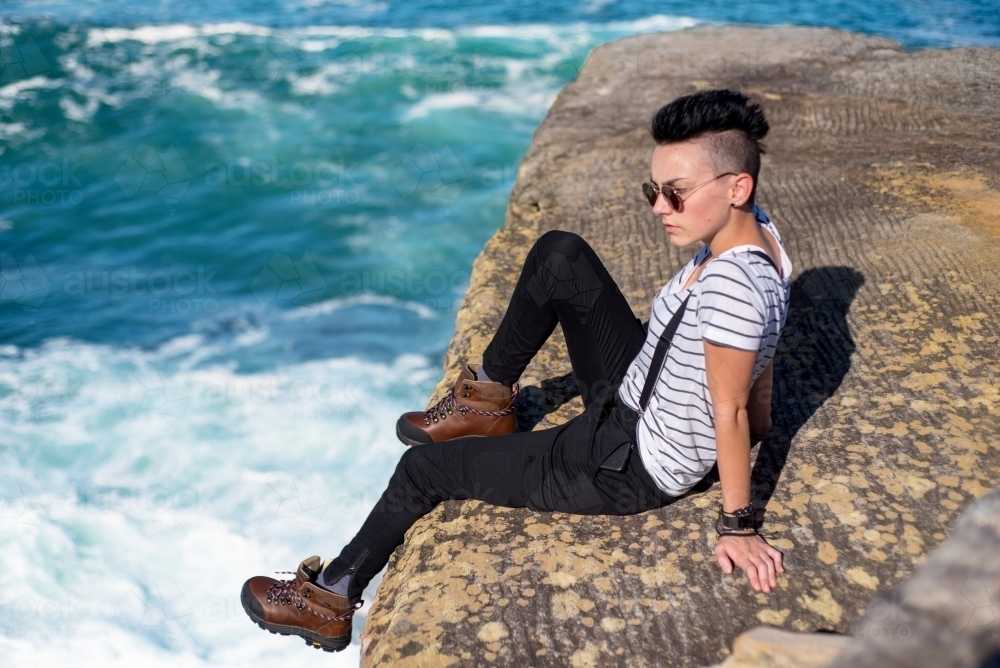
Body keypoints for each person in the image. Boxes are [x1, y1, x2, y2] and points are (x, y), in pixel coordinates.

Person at [240, 89, 790, 653]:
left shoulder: (732, 292)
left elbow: (730, 408)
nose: (658, 208)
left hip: (622, 464)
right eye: (654, 190)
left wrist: (739, 526)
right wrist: (765, 419)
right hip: (636, 392)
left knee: (422, 471)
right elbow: (756, 370)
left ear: (737, 187)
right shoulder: (762, 239)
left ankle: (332, 597)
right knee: (561, 255)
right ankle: (485, 402)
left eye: (675, 194)